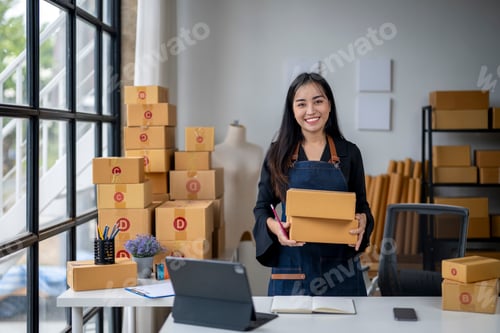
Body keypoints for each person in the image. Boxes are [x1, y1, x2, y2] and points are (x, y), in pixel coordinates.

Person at [253, 72, 374, 297]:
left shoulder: (350, 153)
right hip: (292, 266)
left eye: (318, 101)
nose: (311, 111)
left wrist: (364, 220)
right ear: (292, 110)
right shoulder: (278, 154)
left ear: (329, 105)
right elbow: (261, 209)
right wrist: (277, 229)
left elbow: (362, 208)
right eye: (301, 104)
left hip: (340, 270)